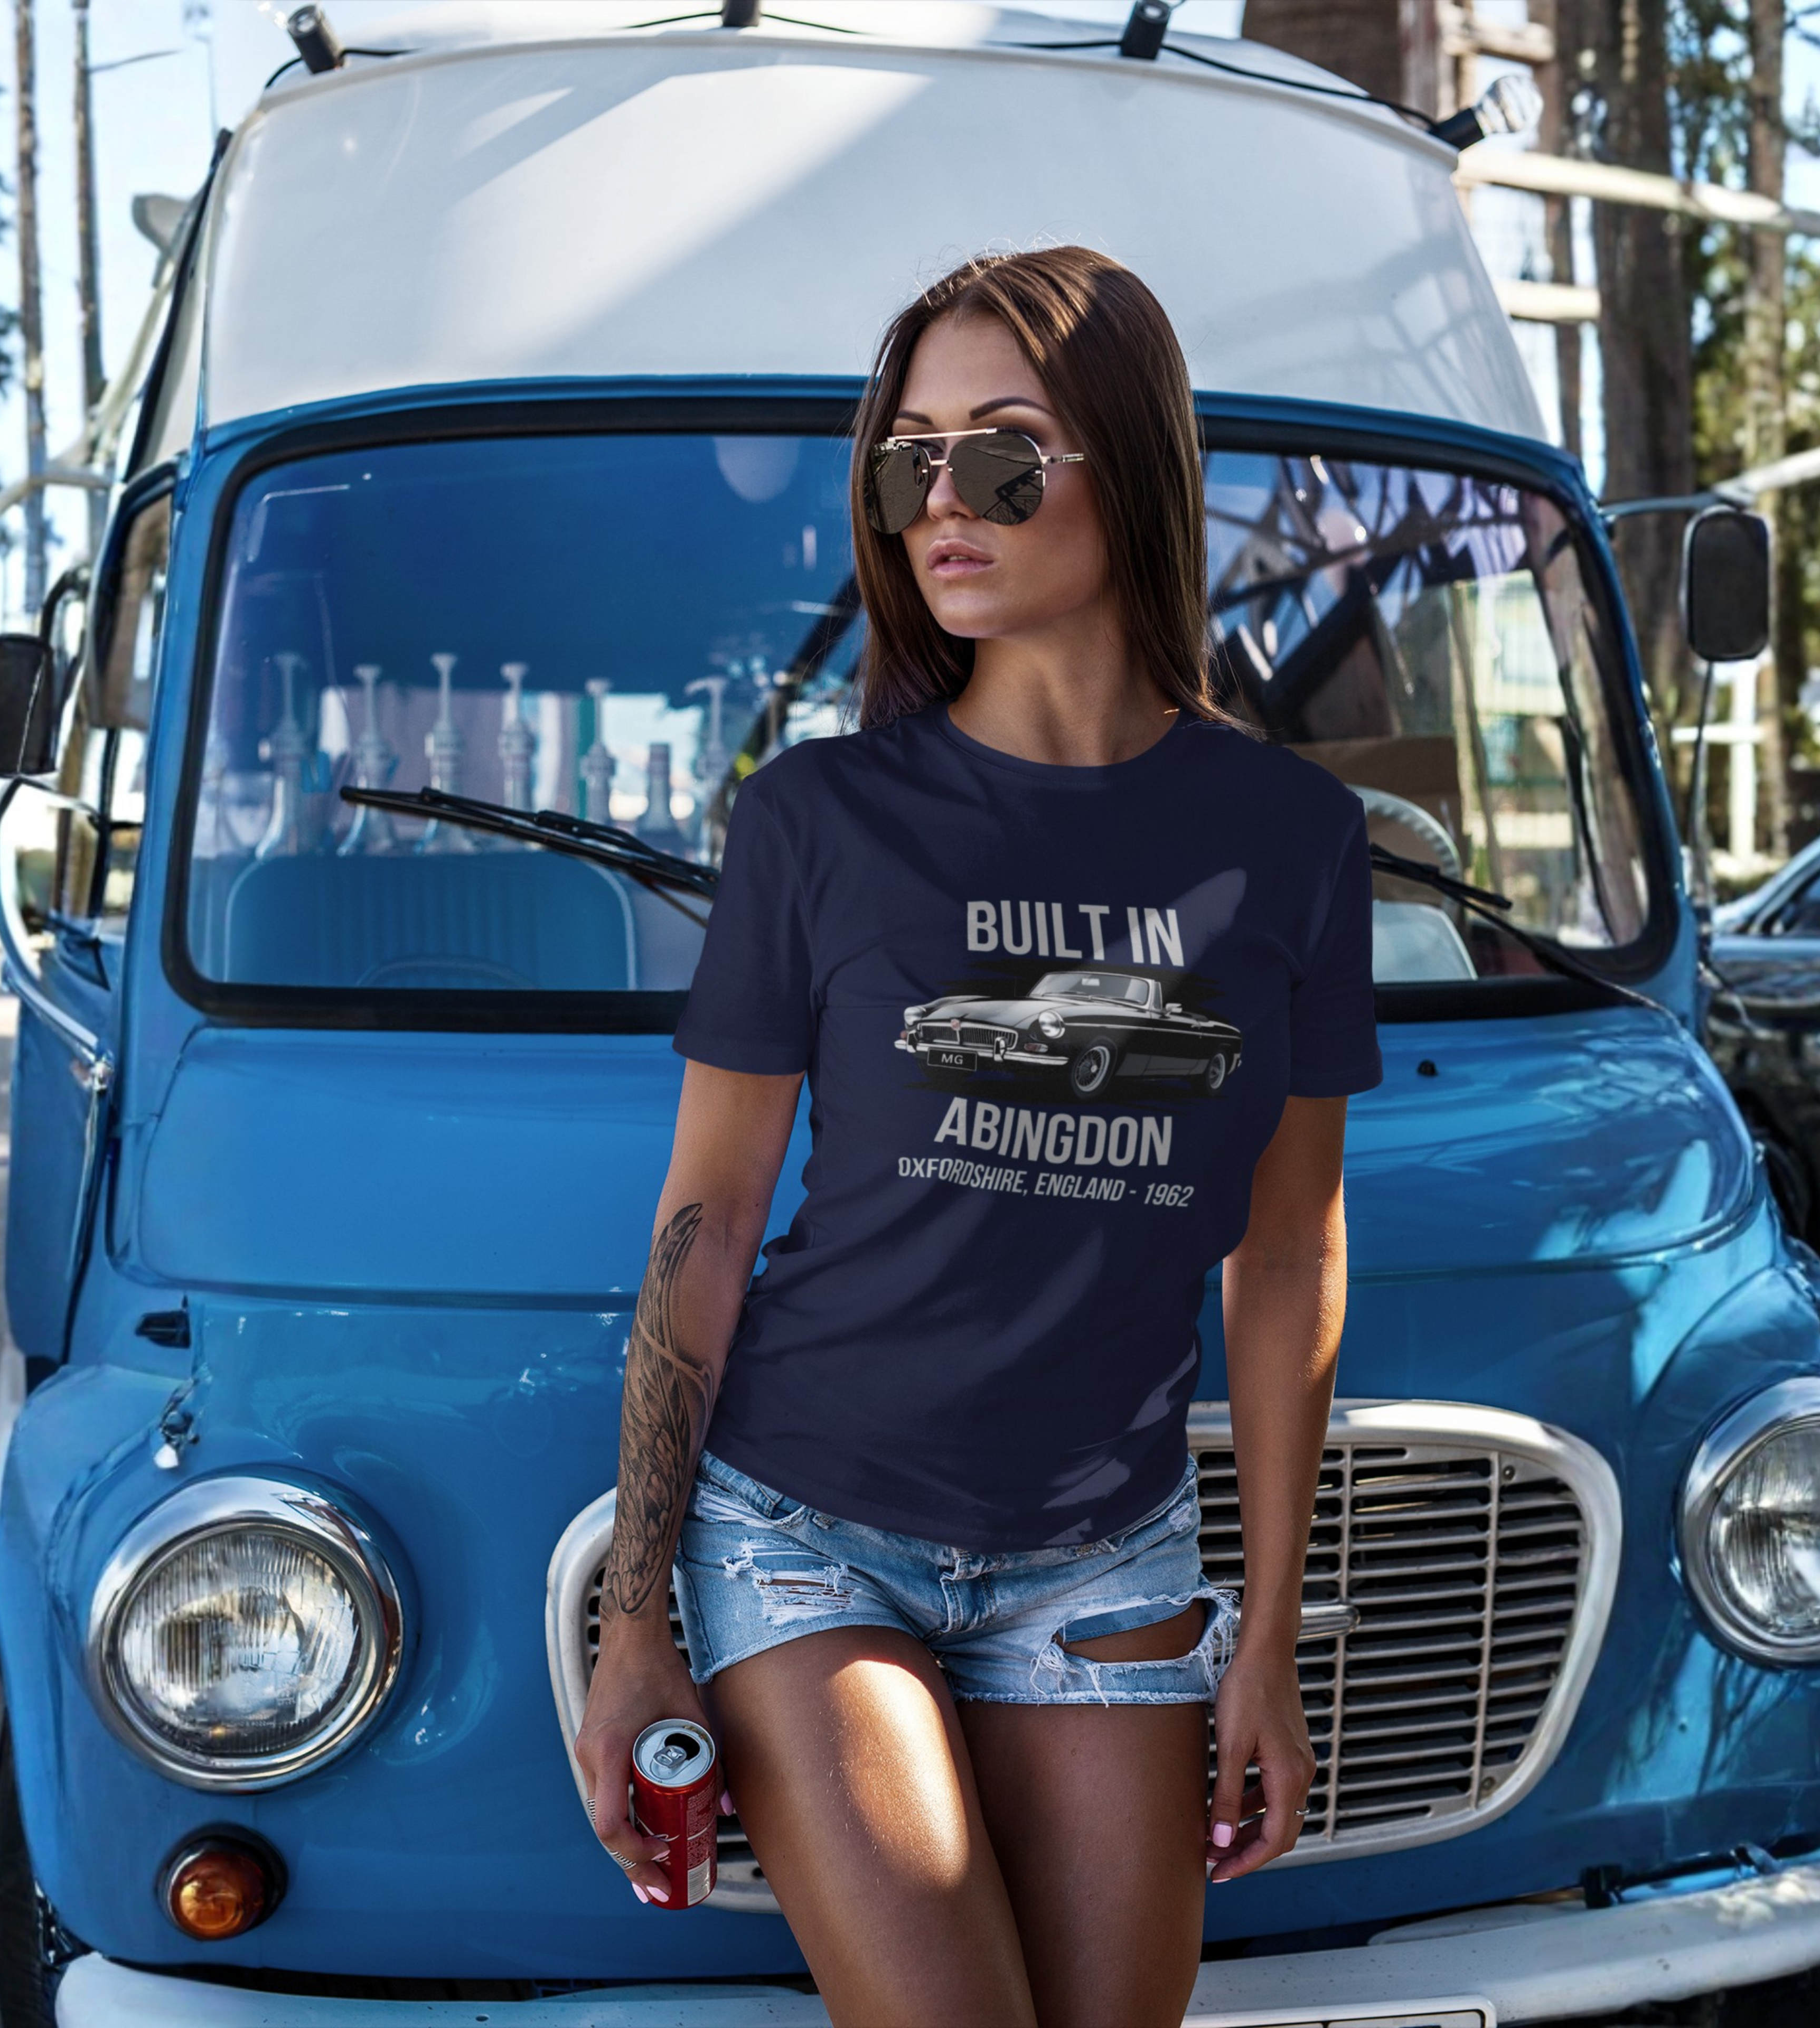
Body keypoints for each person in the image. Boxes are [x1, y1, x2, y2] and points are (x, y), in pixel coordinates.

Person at [574, 246, 1380, 2028]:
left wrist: (1266, 1635)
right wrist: (639, 1622)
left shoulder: (1294, 841)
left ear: (1131, 468)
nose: (945, 502)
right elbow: (707, 1225)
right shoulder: (819, 820)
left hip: (1112, 1558)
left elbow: (1289, 1252)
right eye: (908, 463)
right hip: (808, 1533)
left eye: (1003, 456)